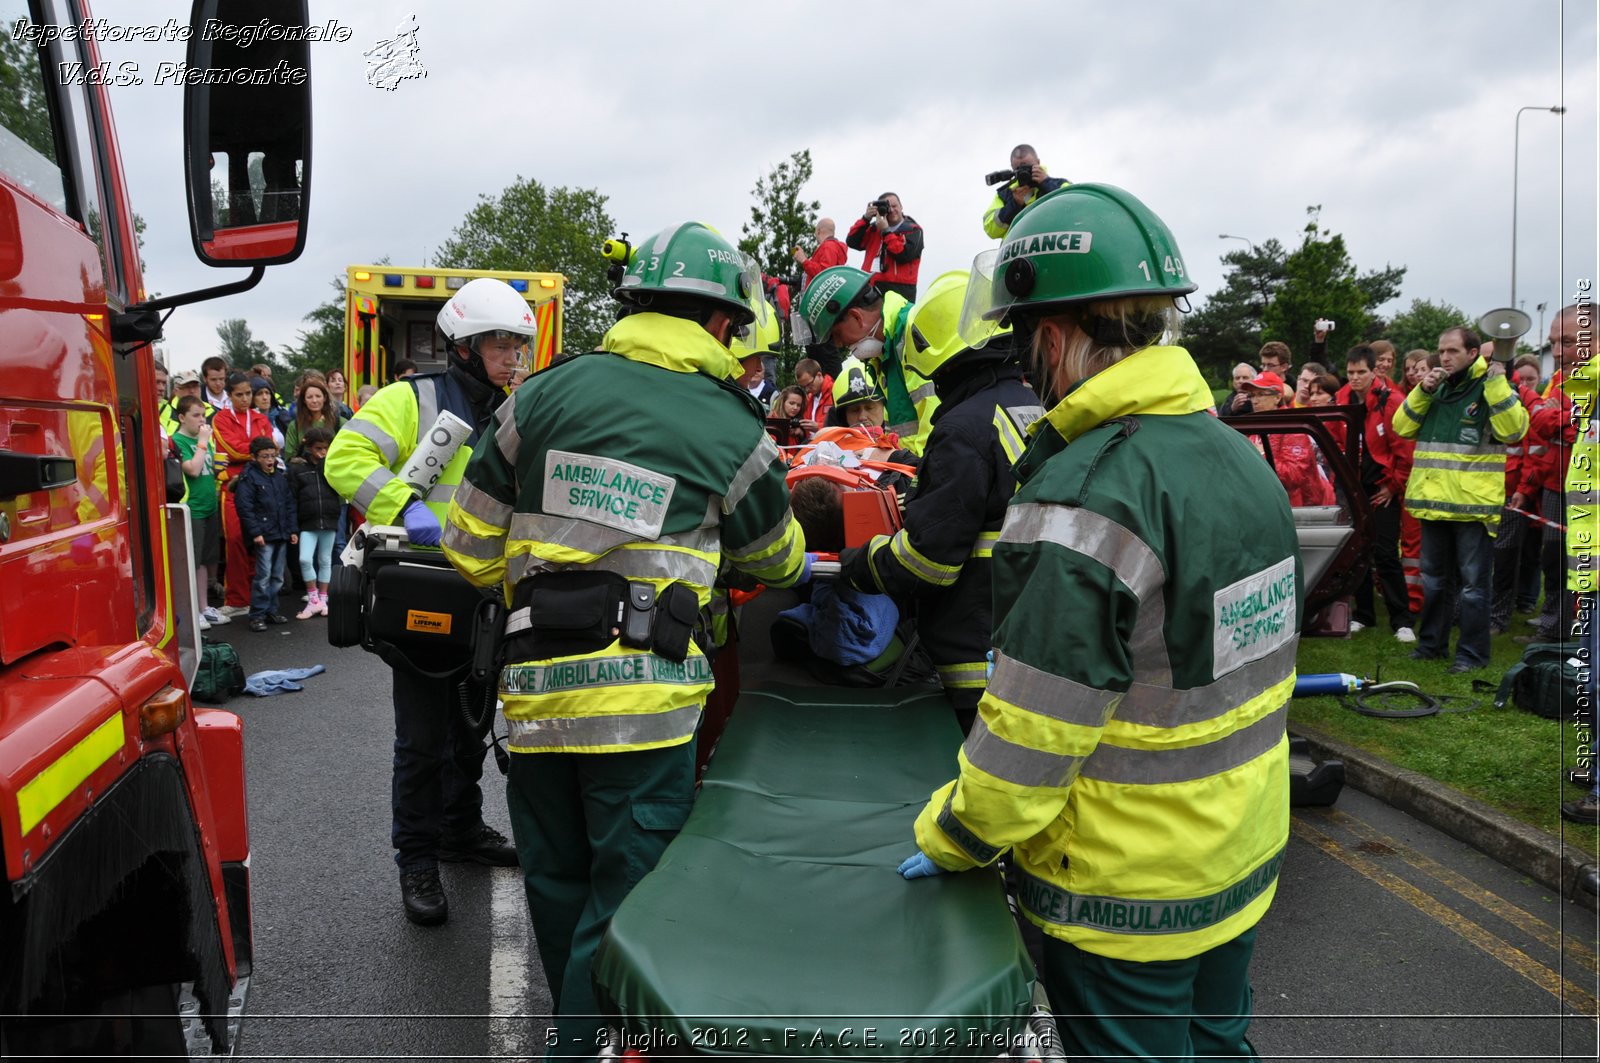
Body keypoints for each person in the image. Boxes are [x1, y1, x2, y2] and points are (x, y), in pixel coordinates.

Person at [899, 184, 1295, 1062]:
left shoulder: (1082, 494)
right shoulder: (1240, 460)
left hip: (1123, 891)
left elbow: (1032, 737)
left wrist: (953, 833)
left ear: (1050, 337)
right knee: (1219, 1045)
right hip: (1240, 854)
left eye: (1021, 338)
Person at [440, 221, 809, 1057]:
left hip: (532, 699)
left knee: (561, 889)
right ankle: (587, 1046)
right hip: (644, 711)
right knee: (627, 907)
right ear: (722, 323)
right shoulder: (729, 427)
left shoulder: (536, 398)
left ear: (633, 304)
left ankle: (583, 1033)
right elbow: (780, 559)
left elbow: (466, 550)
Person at [325, 277, 531, 926]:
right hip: (420, 588)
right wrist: (403, 506)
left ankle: (460, 831)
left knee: (470, 728)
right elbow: (345, 457)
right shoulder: (409, 399)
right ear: (465, 346)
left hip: (486, 597)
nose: (513, 358)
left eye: (518, 346)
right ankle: (416, 858)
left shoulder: (515, 410)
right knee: (420, 740)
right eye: (501, 345)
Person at [839, 270, 1040, 733]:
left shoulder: (962, 428)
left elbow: (928, 562)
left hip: (976, 650)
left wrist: (858, 563)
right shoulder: (1028, 403)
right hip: (1021, 631)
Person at [1392, 326, 1529, 672]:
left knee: (1473, 589)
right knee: (1435, 582)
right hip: (1433, 505)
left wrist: (1498, 382)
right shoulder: (1433, 389)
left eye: (1453, 351)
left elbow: (1514, 431)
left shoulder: (1492, 386)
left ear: (1472, 354)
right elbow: (1401, 427)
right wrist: (1421, 391)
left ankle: (1471, 655)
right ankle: (1431, 646)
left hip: (1472, 509)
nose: (1444, 357)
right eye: (1441, 351)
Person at [794, 264, 938, 454]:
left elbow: (935, 425)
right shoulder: (884, 356)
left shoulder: (912, 334)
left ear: (856, 317)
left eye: (837, 335)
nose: (839, 345)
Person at [1334, 345, 1415, 642]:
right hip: (1353, 487)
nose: (1355, 378)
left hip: (1382, 488)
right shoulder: (1342, 398)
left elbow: (1404, 448)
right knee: (1357, 553)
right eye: (1351, 372)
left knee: (1385, 554)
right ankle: (1364, 615)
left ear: (1373, 371)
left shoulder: (1391, 401)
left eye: (1361, 372)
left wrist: (1392, 486)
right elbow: (1334, 438)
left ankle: (1402, 619)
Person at [1520, 305, 1587, 644]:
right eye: (1553, 342)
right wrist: (1562, 421)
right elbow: (1541, 425)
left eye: (1568, 342)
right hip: (1554, 483)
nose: (1558, 351)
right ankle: (1552, 628)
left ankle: (1581, 632)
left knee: (1583, 565)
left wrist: (1557, 421)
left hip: (1589, 491)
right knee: (1553, 560)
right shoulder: (1559, 380)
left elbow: (1576, 430)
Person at [212, 371, 276, 616]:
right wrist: (256, 449)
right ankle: (238, 599)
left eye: (248, 393)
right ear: (229, 395)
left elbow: (267, 449)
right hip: (234, 488)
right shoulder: (221, 419)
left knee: (259, 541)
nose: (245, 398)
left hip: (260, 485)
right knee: (236, 541)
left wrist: (257, 450)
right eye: (239, 394)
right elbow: (232, 449)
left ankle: (258, 597)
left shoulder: (261, 419)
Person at [171, 395, 227, 629]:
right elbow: (192, 469)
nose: (201, 420)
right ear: (182, 417)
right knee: (191, 562)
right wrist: (203, 441)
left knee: (205, 560)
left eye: (203, 415)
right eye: (196, 415)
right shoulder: (178, 441)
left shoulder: (204, 440)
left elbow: (206, 469)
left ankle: (203, 607)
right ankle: (192, 610)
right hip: (191, 509)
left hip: (209, 506)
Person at [1241, 371, 1336, 506]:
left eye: (1261, 394)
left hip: (1305, 510)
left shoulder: (1293, 428)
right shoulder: (1255, 427)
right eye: (1252, 395)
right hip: (1270, 503)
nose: (1255, 400)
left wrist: (1262, 454)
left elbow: (1295, 476)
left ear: (1277, 397)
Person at [232, 436, 297, 632]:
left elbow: (289, 504)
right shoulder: (249, 478)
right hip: (264, 534)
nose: (270, 460)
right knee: (263, 575)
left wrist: (292, 529)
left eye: (272, 455)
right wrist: (255, 532)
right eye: (265, 456)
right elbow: (245, 508)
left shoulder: (278, 476)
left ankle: (271, 609)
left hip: (280, 532)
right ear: (254, 458)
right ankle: (257, 614)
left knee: (277, 576)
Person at [289, 426, 340, 620]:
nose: (323, 452)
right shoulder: (298, 469)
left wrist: (326, 464)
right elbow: (292, 499)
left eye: (326, 448)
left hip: (329, 518)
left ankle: (323, 598)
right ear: (309, 447)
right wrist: (293, 526)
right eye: (318, 448)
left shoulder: (332, 466)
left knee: (325, 559)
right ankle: (313, 599)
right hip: (307, 521)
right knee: (304, 558)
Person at [845, 192, 924, 302]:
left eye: (894, 206)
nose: (891, 210)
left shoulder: (913, 230)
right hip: (871, 287)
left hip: (900, 291)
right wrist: (866, 218)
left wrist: (886, 232)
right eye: (887, 207)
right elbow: (852, 241)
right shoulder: (874, 229)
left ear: (901, 207)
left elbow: (904, 255)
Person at [981, 142, 1068, 238]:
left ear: (1038, 162)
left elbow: (1073, 206)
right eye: (1019, 169)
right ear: (1012, 168)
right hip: (1016, 251)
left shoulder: (1060, 184)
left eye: (1028, 167)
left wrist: (1047, 183)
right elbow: (991, 230)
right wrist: (1014, 204)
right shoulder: (1005, 194)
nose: (1024, 172)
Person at [284, 375, 344, 460]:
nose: (314, 401)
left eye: (318, 396)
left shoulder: (340, 423)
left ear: (325, 398)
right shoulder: (295, 426)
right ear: (304, 400)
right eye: (309, 397)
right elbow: (289, 456)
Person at [793, 217, 849, 283]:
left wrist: (804, 260)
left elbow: (824, 274)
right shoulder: (833, 247)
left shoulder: (828, 246)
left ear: (818, 231)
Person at [793, 357, 833, 430]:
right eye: (803, 387)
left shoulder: (835, 393)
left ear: (819, 375)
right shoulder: (808, 398)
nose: (807, 390)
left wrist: (819, 427)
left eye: (809, 384)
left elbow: (842, 425)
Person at [161, 368, 203, 436]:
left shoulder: (212, 411)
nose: (192, 391)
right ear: (176, 391)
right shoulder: (164, 411)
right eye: (187, 387)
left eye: (195, 386)